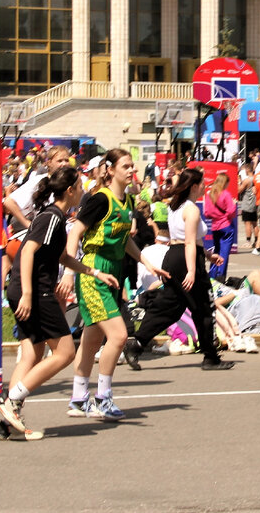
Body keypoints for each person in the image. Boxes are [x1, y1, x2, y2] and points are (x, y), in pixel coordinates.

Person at [0, 166, 116, 440]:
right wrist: (27, 293)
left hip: (28, 289)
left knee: (32, 355)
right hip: (35, 291)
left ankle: (7, 421)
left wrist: (95, 272)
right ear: (70, 190)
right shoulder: (52, 218)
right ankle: (11, 401)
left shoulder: (56, 219)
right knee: (65, 353)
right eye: (81, 186)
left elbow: (62, 257)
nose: (84, 190)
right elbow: (27, 253)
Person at [64, 149, 163, 421]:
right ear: (110, 169)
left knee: (93, 338)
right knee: (118, 336)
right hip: (94, 270)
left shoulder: (128, 200)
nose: (132, 170)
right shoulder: (100, 199)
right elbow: (76, 231)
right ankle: (102, 399)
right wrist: (69, 271)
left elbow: (124, 240)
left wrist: (146, 262)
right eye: (126, 166)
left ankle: (78, 399)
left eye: (133, 166)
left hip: (113, 273)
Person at [123, 168, 236, 373]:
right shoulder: (191, 209)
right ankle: (210, 356)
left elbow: (185, 239)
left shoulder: (175, 206)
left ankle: (136, 343)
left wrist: (209, 255)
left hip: (174, 257)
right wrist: (192, 271)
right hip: (186, 259)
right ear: (194, 186)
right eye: (202, 183)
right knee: (203, 307)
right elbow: (190, 243)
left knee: (171, 307)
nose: (205, 186)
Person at [202, 172, 237, 280]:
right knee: (224, 252)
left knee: (216, 251)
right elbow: (231, 210)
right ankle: (220, 276)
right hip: (226, 225)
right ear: (224, 183)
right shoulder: (225, 194)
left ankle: (212, 274)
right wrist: (233, 205)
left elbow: (207, 213)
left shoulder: (210, 194)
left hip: (215, 226)